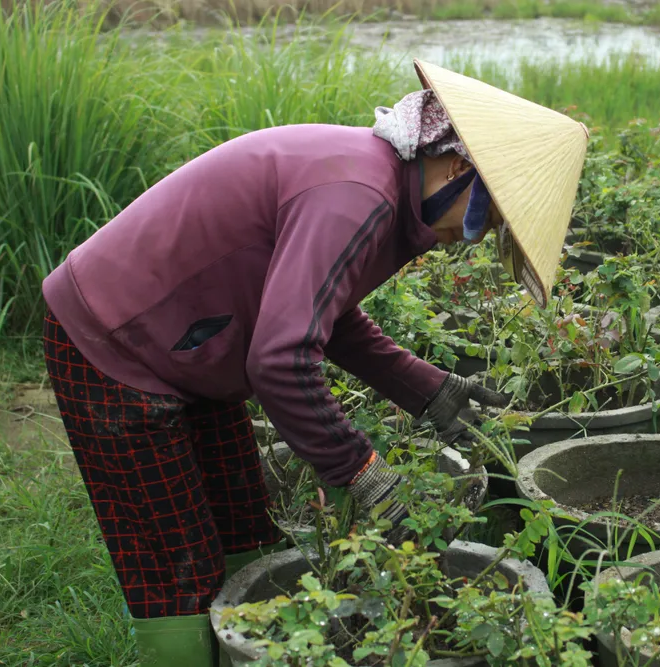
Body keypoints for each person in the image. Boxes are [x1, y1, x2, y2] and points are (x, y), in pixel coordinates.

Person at [41, 59, 589, 666]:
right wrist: (364, 472)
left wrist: (429, 389)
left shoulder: (381, 190)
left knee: (245, 526)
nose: (473, 240)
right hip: (115, 340)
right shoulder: (356, 194)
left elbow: (325, 314)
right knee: (178, 563)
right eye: (486, 220)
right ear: (459, 168)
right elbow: (281, 359)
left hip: (192, 344)